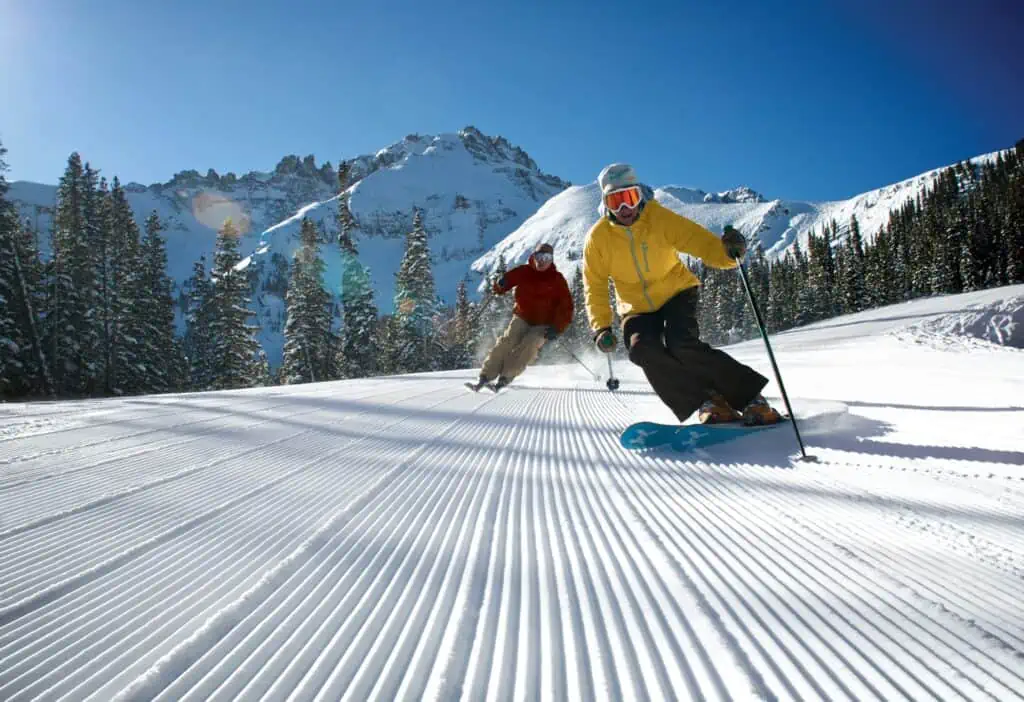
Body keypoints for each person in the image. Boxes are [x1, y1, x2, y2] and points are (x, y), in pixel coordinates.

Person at [582, 163, 783, 425]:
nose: (625, 209)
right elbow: (594, 285)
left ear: (640, 194)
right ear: (605, 204)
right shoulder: (598, 238)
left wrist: (728, 252)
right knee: (642, 349)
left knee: (681, 343)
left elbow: (697, 241)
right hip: (636, 307)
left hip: (676, 290)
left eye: (629, 198)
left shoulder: (659, 218)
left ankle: (752, 399)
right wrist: (601, 328)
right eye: (616, 201)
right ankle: (707, 401)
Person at [469, 242, 574, 392]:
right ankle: (485, 376)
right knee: (507, 341)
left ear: (551, 259)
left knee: (529, 345)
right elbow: (503, 284)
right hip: (523, 317)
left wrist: (557, 327)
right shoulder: (524, 271)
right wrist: (501, 284)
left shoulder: (557, 280)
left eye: (546, 257)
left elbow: (566, 307)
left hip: (543, 324)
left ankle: (505, 377)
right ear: (534, 256)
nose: (542, 260)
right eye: (539, 256)